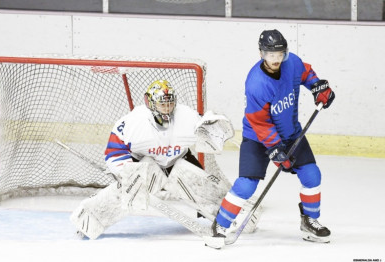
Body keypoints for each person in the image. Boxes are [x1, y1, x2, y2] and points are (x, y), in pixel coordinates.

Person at [70, 79, 237, 239]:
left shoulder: (187, 115)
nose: (167, 108)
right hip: (144, 162)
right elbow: (114, 150)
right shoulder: (133, 122)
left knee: (204, 188)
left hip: (178, 159)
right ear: (150, 103)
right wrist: (125, 172)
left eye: (170, 103)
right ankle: (89, 218)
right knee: (126, 190)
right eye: (162, 104)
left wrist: (211, 126)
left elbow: (206, 133)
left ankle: (234, 217)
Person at [212, 29, 335, 243]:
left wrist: (316, 86)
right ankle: (220, 225)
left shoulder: (292, 62)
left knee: (312, 175)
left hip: (291, 133)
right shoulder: (256, 83)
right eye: (271, 55)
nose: (276, 59)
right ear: (261, 54)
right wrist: (275, 148)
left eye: (280, 54)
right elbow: (258, 121)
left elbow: (305, 73)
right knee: (246, 184)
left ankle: (309, 221)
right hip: (258, 138)